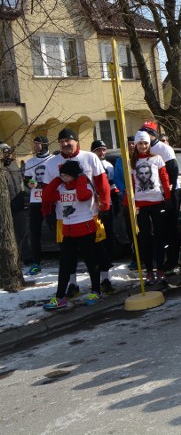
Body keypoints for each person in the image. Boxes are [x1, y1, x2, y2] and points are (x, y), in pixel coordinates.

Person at [43, 128, 110, 299]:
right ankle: (72, 284)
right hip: (63, 216)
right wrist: (47, 213)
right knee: (67, 254)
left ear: (76, 141)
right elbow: (46, 190)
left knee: (98, 249)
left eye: (68, 140)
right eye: (62, 141)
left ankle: (104, 279)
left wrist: (105, 206)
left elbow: (102, 183)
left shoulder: (90, 157)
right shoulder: (52, 163)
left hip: (91, 214)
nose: (65, 144)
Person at [41, 160, 103, 309]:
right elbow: (46, 196)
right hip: (68, 231)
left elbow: (82, 196)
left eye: (66, 175)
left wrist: (81, 178)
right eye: (62, 175)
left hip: (85, 229)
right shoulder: (61, 188)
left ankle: (96, 291)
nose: (64, 178)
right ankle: (60, 297)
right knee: (65, 264)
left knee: (90, 261)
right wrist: (57, 179)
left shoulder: (85, 186)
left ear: (75, 175)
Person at [130, 131, 171, 284]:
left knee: (159, 236)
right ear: (136, 145)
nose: (143, 146)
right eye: (140, 143)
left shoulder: (157, 158)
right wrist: (130, 203)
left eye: (145, 143)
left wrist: (168, 197)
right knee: (145, 238)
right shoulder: (132, 163)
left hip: (157, 202)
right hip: (141, 204)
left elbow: (164, 178)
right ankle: (148, 270)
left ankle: (160, 268)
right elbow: (131, 184)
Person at [90, 139, 117, 294]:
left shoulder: (108, 166)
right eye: (98, 150)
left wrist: (113, 202)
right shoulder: (88, 164)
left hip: (107, 206)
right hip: (94, 208)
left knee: (108, 236)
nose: (102, 153)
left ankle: (108, 263)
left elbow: (112, 186)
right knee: (97, 241)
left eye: (103, 150)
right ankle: (101, 272)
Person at [23, 135, 51, 275]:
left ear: (45, 144)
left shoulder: (52, 160)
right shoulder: (30, 162)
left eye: (38, 144)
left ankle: (66, 258)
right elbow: (27, 180)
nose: (35, 146)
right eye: (34, 144)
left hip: (50, 201)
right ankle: (36, 263)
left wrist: (40, 184)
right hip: (35, 201)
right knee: (35, 233)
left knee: (55, 230)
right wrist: (29, 183)